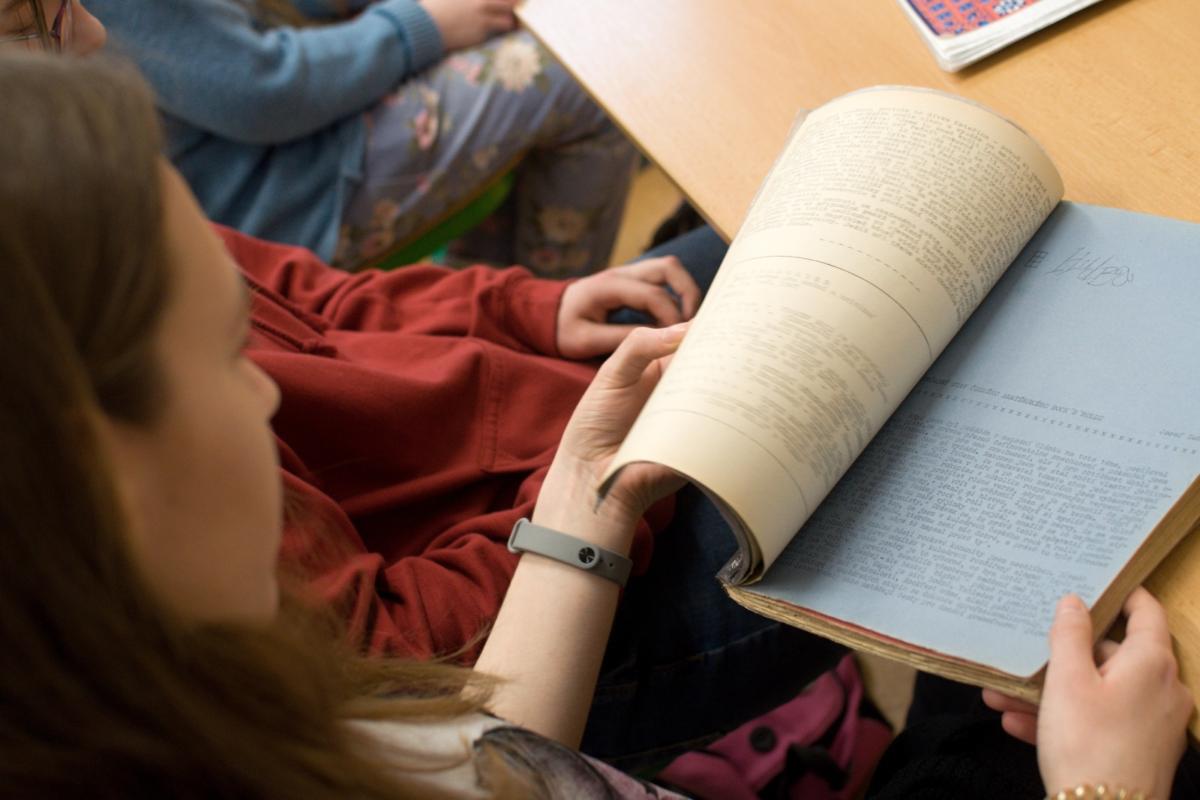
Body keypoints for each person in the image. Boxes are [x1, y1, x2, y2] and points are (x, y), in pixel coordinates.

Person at [0, 52, 1192, 800]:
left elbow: (490, 749)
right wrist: (1105, 792)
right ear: (87, 473)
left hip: (546, 528)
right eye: (220, 355)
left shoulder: (221, 707)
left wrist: (583, 491)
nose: (260, 389)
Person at [1, 8, 850, 769]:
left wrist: (528, 310)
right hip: (549, 576)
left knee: (808, 239)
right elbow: (420, 683)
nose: (95, 32)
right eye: (28, 20)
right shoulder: (228, 578)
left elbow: (308, 295)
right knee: (870, 454)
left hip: (546, 486)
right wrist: (578, 490)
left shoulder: (102, 242)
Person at [87, 0, 639, 274]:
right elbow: (267, 92)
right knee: (585, 78)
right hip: (275, 199)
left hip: (290, 133)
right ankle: (566, 335)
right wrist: (420, 23)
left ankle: (507, 313)